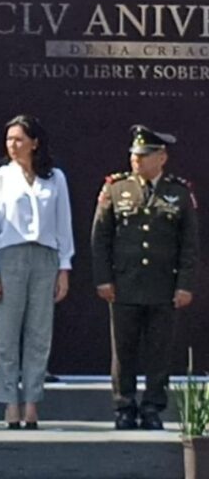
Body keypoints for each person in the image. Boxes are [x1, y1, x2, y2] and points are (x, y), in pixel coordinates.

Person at [91, 125, 198, 431]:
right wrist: (104, 279)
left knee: (159, 350)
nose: (136, 160)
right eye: (134, 155)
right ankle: (124, 406)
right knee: (123, 350)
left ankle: (152, 407)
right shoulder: (116, 188)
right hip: (125, 283)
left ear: (161, 157)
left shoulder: (178, 192)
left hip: (163, 285)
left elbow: (189, 244)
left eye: (144, 155)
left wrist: (185, 284)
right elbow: (101, 238)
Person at [0, 114, 73, 430]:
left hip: (45, 258)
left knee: (39, 334)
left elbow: (64, 225)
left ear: (34, 142)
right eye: (9, 139)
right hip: (10, 258)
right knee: (7, 334)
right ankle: (10, 402)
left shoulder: (54, 178)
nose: (13, 145)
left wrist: (64, 266)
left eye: (19, 139)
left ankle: (32, 402)